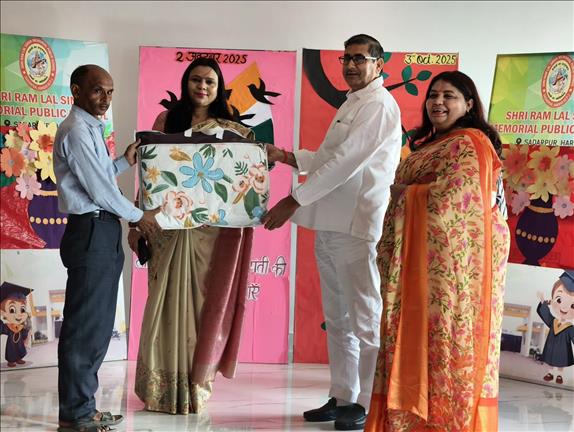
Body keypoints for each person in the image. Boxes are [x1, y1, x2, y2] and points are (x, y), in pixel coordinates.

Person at [263, 34, 402, 430]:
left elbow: (346, 162)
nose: (351, 65)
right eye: (346, 59)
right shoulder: (352, 102)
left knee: (364, 317)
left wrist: (295, 199)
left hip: (356, 225)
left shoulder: (378, 105)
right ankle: (343, 396)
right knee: (338, 318)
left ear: (378, 64)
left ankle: (367, 402)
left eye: (359, 58)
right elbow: (327, 156)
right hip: (328, 222)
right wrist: (287, 156)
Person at [364, 71, 511, 431]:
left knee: (445, 342)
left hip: (450, 277)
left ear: (469, 104)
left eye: (449, 96)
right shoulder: (433, 144)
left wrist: (406, 194)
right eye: (433, 95)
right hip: (418, 266)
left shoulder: (470, 143)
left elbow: (456, 201)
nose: (438, 102)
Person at [129, 57, 255, 414]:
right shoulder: (166, 121)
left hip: (209, 233)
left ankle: (194, 387)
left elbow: (241, 178)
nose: (202, 87)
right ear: (186, 83)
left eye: (210, 82)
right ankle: (159, 387)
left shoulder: (232, 129)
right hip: (166, 230)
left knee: (202, 305)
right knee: (163, 303)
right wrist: (136, 222)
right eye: (196, 80)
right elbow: (150, 176)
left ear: (219, 88)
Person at [53, 64, 160, 432]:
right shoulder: (76, 130)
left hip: (102, 229)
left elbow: (96, 177)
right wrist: (140, 216)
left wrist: (122, 163)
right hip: (91, 230)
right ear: (76, 90)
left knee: (97, 325)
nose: (106, 98)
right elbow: (98, 191)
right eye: (98, 90)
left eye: (110, 92)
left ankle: (83, 407)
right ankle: (76, 413)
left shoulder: (91, 128)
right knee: (85, 326)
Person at [536, 270, 574, 385]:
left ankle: (559, 375)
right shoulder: (553, 322)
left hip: (563, 349)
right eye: (559, 300)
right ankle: (550, 373)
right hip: (552, 347)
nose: (564, 308)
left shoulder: (570, 327)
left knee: (561, 361)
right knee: (551, 359)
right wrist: (543, 301)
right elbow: (546, 315)